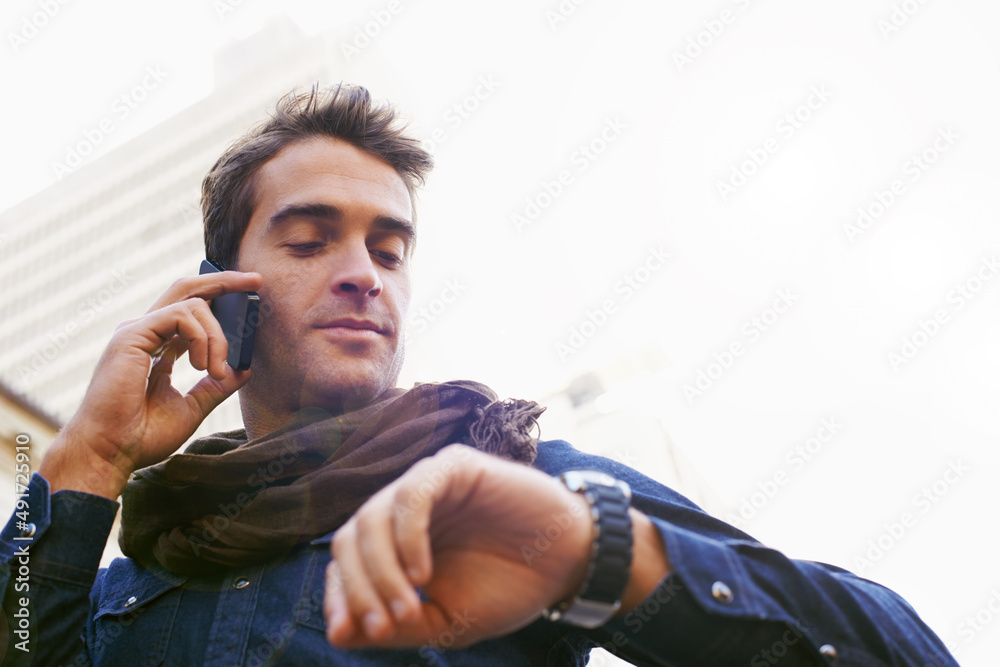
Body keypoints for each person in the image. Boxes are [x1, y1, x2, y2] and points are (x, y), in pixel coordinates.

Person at [0, 83, 957, 666]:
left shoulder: (519, 482)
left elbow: (896, 649)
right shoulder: (135, 573)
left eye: (391, 248)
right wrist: (88, 455)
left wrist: (600, 557)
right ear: (220, 294)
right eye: (308, 237)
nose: (363, 273)